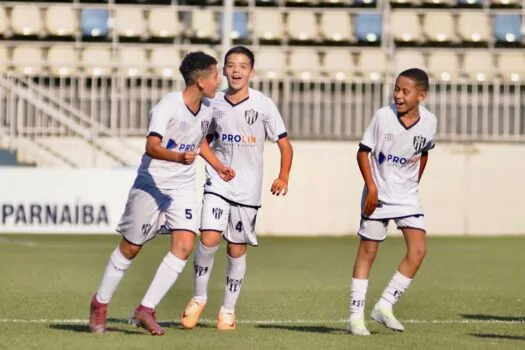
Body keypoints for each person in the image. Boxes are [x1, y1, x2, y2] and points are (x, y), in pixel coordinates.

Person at [138, 45, 293, 332]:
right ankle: (198, 298)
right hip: (219, 184)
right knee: (208, 240)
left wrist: (283, 175)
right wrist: (217, 165)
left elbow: (284, 144)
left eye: (243, 66)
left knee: (236, 250)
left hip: (248, 190)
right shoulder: (213, 103)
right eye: (231, 65)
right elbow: (201, 139)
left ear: (251, 71)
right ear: (223, 70)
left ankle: (228, 310)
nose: (236, 71)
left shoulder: (263, 105)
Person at [88, 51, 235, 335]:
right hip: (153, 182)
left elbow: (198, 140)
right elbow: (151, 147)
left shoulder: (206, 107)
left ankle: (146, 309)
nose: (221, 80)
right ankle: (100, 303)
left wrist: (217, 166)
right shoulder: (167, 106)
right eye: (216, 75)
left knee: (184, 244)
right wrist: (179, 158)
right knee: (131, 247)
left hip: (181, 185)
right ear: (201, 81)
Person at [347, 68, 437, 336]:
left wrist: (414, 182)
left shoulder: (430, 122)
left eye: (404, 91)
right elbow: (363, 153)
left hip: (407, 195)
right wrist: (372, 187)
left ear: (421, 96)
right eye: (396, 89)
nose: (398, 95)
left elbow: (423, 153)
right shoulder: (382, 117)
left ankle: (384, 306)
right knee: (368, 251)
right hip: (379, 194)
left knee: (418, 250)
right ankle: (355, 317)